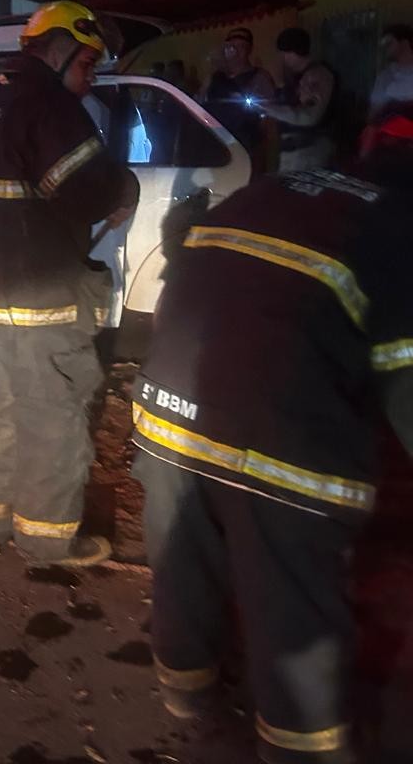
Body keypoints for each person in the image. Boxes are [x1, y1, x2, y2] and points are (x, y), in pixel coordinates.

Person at [131, 108, 413, 764]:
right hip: (278, 427)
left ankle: (187, 690)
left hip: (167, 404)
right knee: (293, 598)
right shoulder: (398, 228)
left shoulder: (282, 188)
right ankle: (302, 748)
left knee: (186, 559)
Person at [0, 0, 139, 567]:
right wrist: (123, 188)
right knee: (52, 410)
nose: (91, 74)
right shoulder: (50, 106)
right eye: (89, 61)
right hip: (37, 292)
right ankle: (47, 539)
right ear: (62, 47)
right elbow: (90, 191)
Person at [261, 27, 336, 170]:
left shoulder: (317, 75)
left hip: (309, 152)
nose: (283, 59)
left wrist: (269, 109)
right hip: (294, 151)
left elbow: (308, 116)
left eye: (285, 54)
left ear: (295, 52)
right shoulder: (296, 77)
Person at [197, 27, 275, 152]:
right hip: (215, 144)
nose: (236, 51)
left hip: (245, 147)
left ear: (249, 49)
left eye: (241, 46)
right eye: (232, 47)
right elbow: (200, 104)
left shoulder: (260, 77)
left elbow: (268, 118)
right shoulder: (214, 77)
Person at [368, 23, 413, 121]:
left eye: (389, 43)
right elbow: (373, 115)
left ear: (404, 43)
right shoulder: (385, 77)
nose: (384, 48)